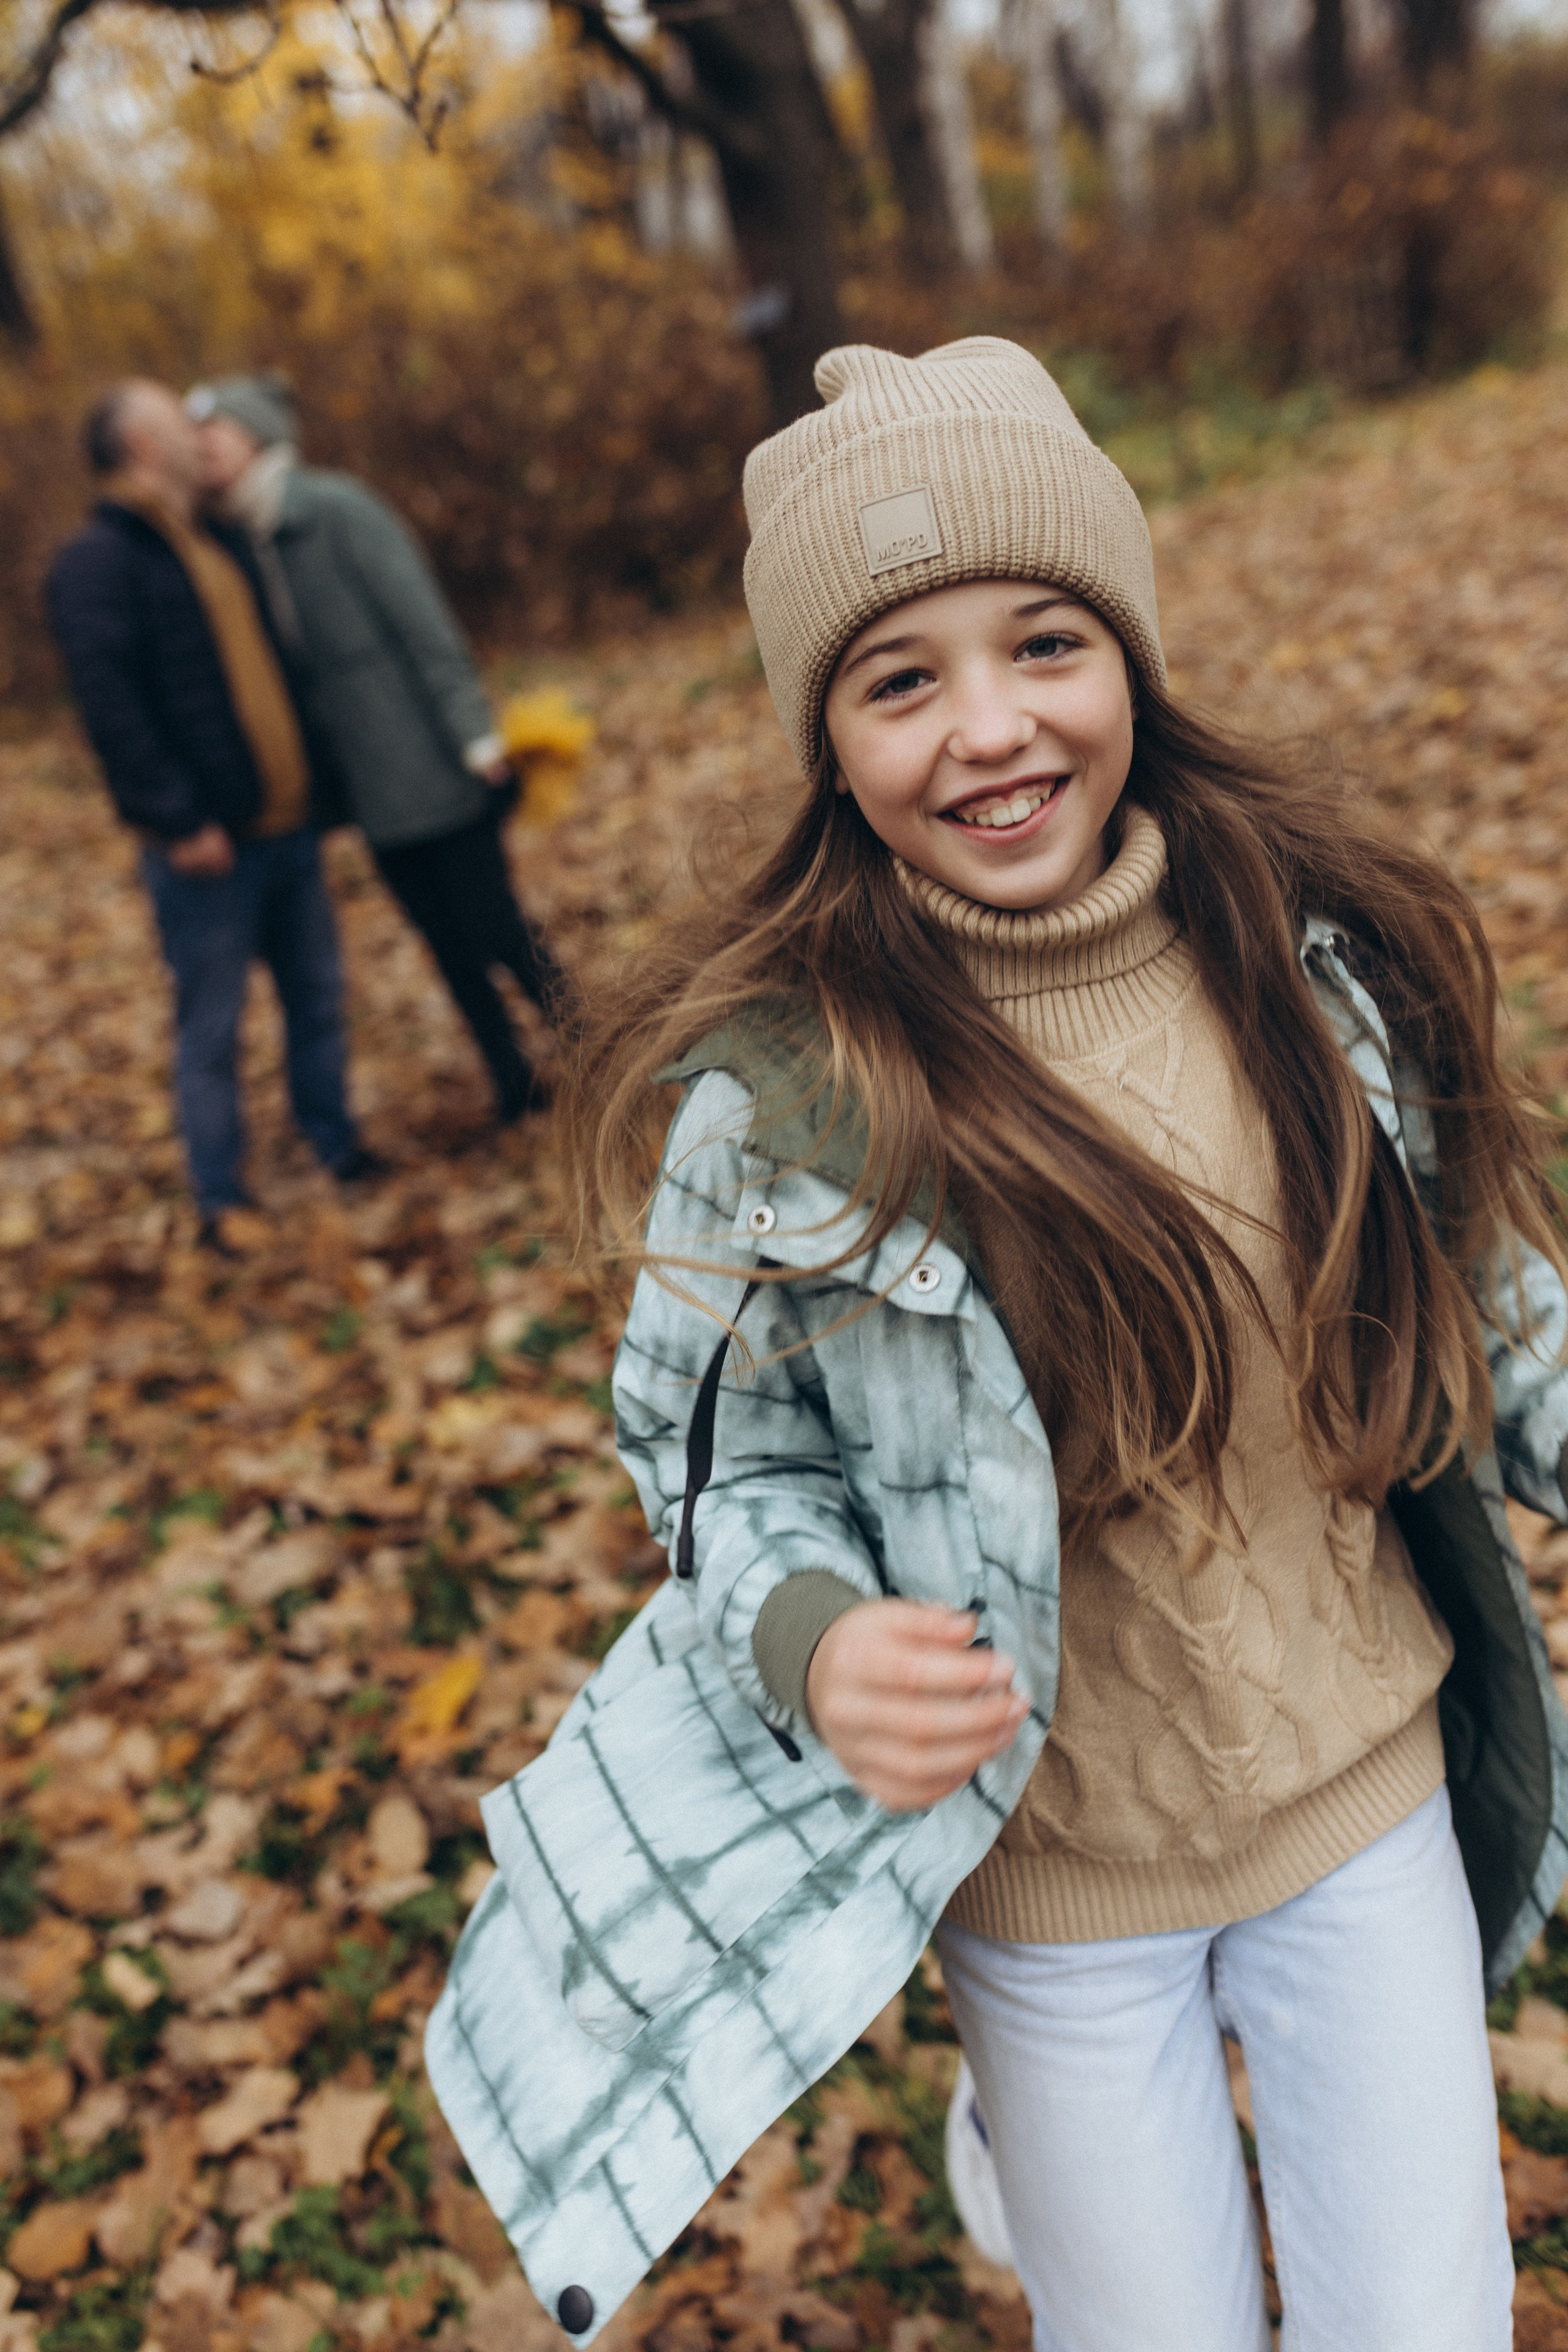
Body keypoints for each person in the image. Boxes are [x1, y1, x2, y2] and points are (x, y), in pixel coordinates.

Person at [423, 340, 1568, 2351]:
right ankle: (1024, 2137)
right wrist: (813, 1639)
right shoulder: (784, 1106)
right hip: (1051, 1874)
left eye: (1043, 643)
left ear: (1127, 653)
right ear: (829, 742)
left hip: (1357, 1794)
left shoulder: (1312, 975)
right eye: (899, 680)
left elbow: (1488, 1291)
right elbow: (714, 1457)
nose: (989, 728)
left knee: (1429, 2317)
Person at [47, 380, 380, 1251]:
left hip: (285, 826)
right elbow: (111, 708)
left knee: (316, 998)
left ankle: (334, 1142)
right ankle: (220, 1198)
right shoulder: (99, 561)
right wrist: (173, 817)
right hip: (206, 847)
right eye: (178, 428)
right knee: (213, 1024)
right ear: (142, 448)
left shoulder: (215, 538)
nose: (200, 442)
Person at [186, 372, 570, 1127]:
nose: (201, 450)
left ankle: (594, 1044)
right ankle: (510, 1076)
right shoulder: (239, 540)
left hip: (432, 763)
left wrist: (474, 733)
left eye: (215, 434)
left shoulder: (335, 509)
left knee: (495, 925)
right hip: (365, 788)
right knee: (442, 941)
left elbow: (422, 623)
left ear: (259, 437)